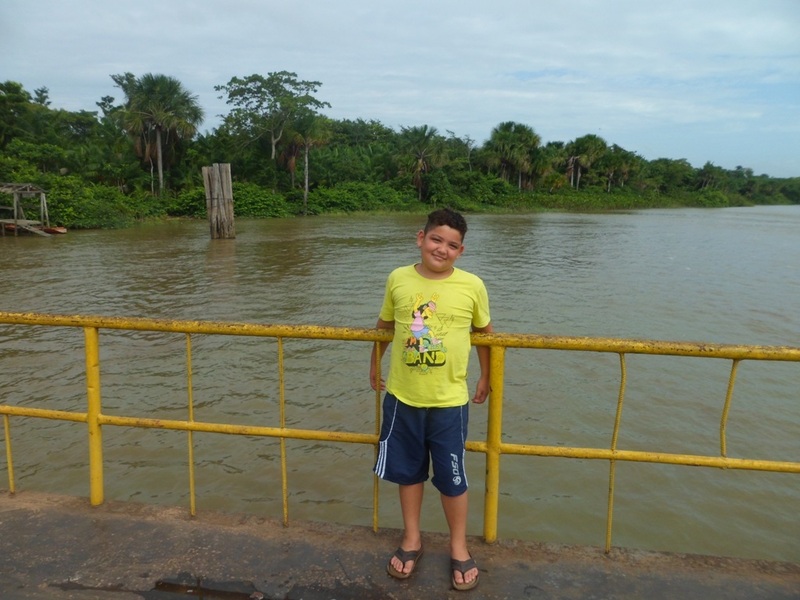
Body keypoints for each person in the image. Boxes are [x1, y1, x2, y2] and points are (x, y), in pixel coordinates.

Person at [369, 208, 493, 591]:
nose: (442, 249)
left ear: (461, 251)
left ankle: (458, 546)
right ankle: (412, 539)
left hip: (450, 401)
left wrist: (487, 375)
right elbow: (385, 326)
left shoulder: (472, 285)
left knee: (453, 478)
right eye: (436, 239)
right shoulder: (398, 278)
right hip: (403, 397)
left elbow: (485, 333)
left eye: (452, 245)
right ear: (420, 237)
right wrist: (374, 364)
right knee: (407, 472)